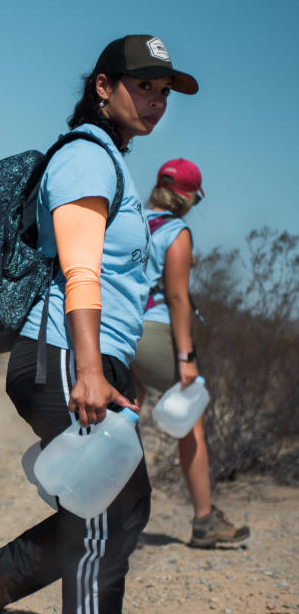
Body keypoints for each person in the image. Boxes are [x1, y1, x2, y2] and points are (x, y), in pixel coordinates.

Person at [0, 35, 198, 614]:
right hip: (68, 354)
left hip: (84, 355)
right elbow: (81, 275)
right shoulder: (86, 157)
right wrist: (92, 371)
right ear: (103, 87)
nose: (155, 100)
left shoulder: (109, 159)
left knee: (114, 513)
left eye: (163, 91)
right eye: (142, 86)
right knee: (112, 516)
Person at [131, 158, 249, 549]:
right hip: (154, 331)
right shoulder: (176, 231)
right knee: (192, 422)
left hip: (118, 330)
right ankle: (204, 521)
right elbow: (178, 298)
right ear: (187, 196)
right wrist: (185, 356)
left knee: (123, 422)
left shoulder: (131, 221)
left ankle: (98, 515)